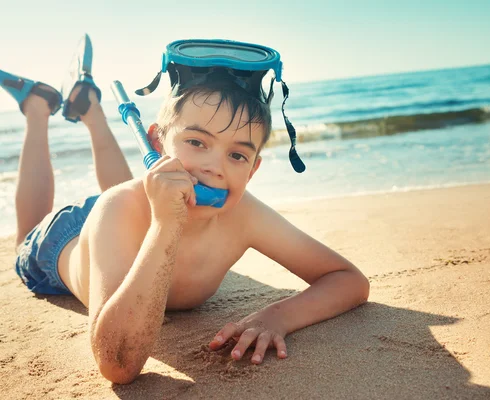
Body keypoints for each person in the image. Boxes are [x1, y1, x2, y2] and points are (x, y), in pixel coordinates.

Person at [3, 36, 369, 384]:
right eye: (196, 142)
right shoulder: (120, 209)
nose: (214, 167)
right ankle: (37, 108)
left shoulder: (243, 215)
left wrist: (278, 316)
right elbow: (117, 365)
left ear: (253, 169)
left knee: (125, 198)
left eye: (237, 155)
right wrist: (165, 224)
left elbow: (348, 280)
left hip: (128, 211)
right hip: (64, 242)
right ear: (158, 142)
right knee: (33, 236)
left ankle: (89, 109)